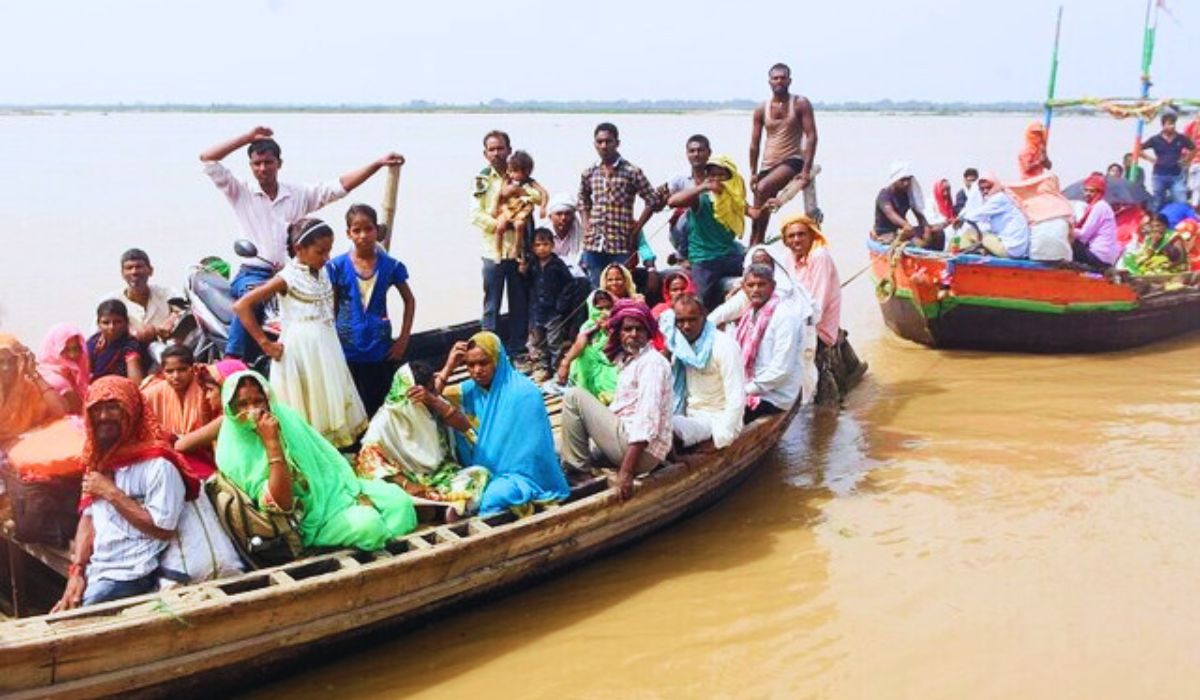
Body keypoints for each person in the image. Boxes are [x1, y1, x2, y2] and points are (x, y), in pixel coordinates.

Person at [200, 125, 403, 360]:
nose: (263, 168)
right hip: (255, 270)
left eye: (268, 162)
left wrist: (377, 164)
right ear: (251, 166)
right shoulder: (240, 191)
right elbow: (208, 158)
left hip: (294, 271)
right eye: (257, 163)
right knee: (250, 298)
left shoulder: (297, 194)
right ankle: (233, 358)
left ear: (279, 163)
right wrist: (247, 137)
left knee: (329, 295)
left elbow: (338, 187)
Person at [215, 370, 418, 550]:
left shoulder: (283, 415)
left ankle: (388, 548)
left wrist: (353, 491)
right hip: (305, 519)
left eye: (259, 401)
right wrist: (271, 443)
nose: (254, 410)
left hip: (333, 489)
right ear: (230, 408)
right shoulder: (232, 450)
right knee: (369, 525)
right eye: (242, 404)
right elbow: (281, 504)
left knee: (399, 503)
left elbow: (324, 454)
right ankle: (373, 544)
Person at [53, 376, 201, 611]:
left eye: (113, 408)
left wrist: (111, 492)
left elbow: (162, 529)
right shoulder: (100, 459)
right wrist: (77, 571)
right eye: (97, 409)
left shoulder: (159, 463)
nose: (103, 417)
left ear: (131, 409)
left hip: (135, 574)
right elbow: (89, 517)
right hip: (100, 570)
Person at [232, 218, 367, 448]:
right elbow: (241, 306)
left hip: (326, 349)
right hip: (300, 353)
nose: (325, 257)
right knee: (308, 409)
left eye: (328, 251)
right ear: (299, 249)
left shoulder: (322, 272)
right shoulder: (287, 278)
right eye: (320, 252)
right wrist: (265, 344)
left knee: (329, 404)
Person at [433, 332, 570, 516]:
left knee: (493, 499)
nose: (477, 370)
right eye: (470, 365)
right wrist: (449, 366)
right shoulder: (468, 391)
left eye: (483, 363)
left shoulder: (525, 394)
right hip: (478, 473)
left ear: (497, 360)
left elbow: (532, 456)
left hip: (520, 476)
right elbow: (431, 398)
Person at [561, 300, 673, 500]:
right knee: (558, 450)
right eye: (627, 329)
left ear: (648, 332)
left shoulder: (651, 364)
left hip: (640, 452)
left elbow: (646, 420)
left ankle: (578, 473)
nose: (633, 334)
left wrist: (627, 473)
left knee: (573, 396)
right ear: (619, 333)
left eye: (639, 329)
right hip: (631, 443)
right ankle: (577, 468)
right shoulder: (630, 360)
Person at [357, 362, 490, 518]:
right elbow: (369, 460)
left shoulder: (433, 404)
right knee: (393, 498)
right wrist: (407, 484)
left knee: (481, 474)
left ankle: (439, 509)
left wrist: (433, 400)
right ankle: (441, 509)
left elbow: (464, 426)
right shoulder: (385, 419)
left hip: (441, 475)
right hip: (407, 480)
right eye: (430, 389)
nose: (434, 393)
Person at [327, 204, 416, 417]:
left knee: (381, 406)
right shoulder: (336, 267)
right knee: (352, 407)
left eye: (368, 229)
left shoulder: (391, 266)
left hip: (380, 348)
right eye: (356, 230)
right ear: (348, 233)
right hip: (347, 348)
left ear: (377, 230)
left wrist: (403, 339)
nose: (363, 235)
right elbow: (330, 306)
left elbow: (409, 300)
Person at [780, 215, 864, 405]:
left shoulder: (819, 257)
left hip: (817, 325)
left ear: (811, 235)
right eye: (791, 236)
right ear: (785, 240)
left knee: (821, 388)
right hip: (799, 320)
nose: (796, 240)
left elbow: (817, 303)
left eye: (801, 235)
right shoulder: (787, 258)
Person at [578, 122, 666, 287]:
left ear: (617, 143)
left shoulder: (631, 171)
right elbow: (583, 199)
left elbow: (652, 200)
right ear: (595, 144)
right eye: (600, 142)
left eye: (608, 141)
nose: (604, 146)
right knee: (597, 291)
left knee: (620, 289)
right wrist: (586, 225)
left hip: (620, 242)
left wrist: (637, 229)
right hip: (594, 242)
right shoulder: (589, 172)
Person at [470, 130, 530, 358]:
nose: (496, 153)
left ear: (509, 149)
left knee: (519, 302)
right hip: (492, 251)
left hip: (517, 250)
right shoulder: (482, 179)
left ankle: (517, 348)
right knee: (491, 304)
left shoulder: (519, 176)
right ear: (485, 154)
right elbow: (475, 214)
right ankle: (489, 350)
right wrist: (500, 224)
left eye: (500, 148)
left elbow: (530, 199)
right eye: (491, 149)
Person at [659, 294, 744, 449]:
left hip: (717, 419)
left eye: (692, 319)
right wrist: (668, 347)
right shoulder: (679, 345)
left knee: (665, 428)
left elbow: (736, 396)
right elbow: (659, 375)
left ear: (703, 316)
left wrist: (722, 438)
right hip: (689, 415)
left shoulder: (723, 345)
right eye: (680, 321)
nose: (686, 326)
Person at [667, 155, 748, 312]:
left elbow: (754, 212)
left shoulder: (734, 199)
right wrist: (701, 188)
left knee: (759, 269)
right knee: (700, 302)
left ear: (730, 177)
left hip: (729, 255)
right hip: (705, 259)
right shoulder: (701, 199)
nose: (716, 179)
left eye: (721, 175)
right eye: (712, 175)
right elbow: (672, 202)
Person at [748, 63, 818, 246]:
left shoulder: (800, 103)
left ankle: (756, 246)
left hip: (791, 160)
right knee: (758, 219)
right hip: (767, 165)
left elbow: (811, 136)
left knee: (763, 189)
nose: (779, 81)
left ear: (789, 80)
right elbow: (754, 144)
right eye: (775, 78)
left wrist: (806, 170)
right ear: (769, 81)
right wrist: (753, 172)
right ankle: (754, 250)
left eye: (783, 77)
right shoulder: (762, 108)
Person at [140, 344, 222, 480]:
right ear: (162, 372)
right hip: (167, 455)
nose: (176, 376)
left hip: (204, 454)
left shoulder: (206, 390)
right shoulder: (152, 393)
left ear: (192, 368)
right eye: (169, 371)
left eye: (182, 369)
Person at [734, 265, 804, 420]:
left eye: (761, 284)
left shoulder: (785, 316)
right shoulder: (750, 313)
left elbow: (781, 370)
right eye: (751, 285)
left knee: (722, 412)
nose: (756, 290)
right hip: (751, 386)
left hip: (775, 396)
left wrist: (744, 390)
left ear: (773, 286)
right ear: (744, 288)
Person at [100, 249, 183, 349]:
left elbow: (187, 308)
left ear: (150, 271)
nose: (134, 272)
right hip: (126, 355)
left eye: (139, 267)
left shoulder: (166, 294)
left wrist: (172, 319)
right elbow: (98, 333)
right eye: (129, 268)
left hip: (166, 356)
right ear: (122, 274)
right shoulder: (111, 301)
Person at [525, 228, 577, 383]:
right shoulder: (532, 265)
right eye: (538, 245)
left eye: (545, 244)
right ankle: (542, 368)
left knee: (555, 342)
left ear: (552, 245)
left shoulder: (557, 264)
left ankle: (557, 369)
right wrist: (523, 271)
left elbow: (570, 284)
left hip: (553, 311)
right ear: (533, 247)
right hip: (536, 311)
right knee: (537, 342)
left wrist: (561, 304)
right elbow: (526, 283)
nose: (542, 248)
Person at [0, 334, 67, 446]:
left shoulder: (29, 389)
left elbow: (61, 411)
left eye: (11, 361)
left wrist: (35, 374)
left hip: (21, 453)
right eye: (0, 362)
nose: (6, 368)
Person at [558, 289, 618, 403]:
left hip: (614, 363)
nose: (604, 312)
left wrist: (609, 329)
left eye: (608, 307)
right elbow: (580, 343)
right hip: (593, 366)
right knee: (584, 354)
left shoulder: (620, 323)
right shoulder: (589, 325)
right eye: (599, 308)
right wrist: (565, 363)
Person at [491, 150, 549, 266]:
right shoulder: (508, 180)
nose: (511, 174)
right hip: (508, 209)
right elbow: (500, 193)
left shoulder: (530, 182)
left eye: (515, 171)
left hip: (521, 210)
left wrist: (543, 207)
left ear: (526, 172)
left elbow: (544, 193)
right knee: (500, 226)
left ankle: (516, 249)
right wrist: (495, 207)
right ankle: (497, 251)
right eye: (510, 170)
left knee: (519, 225)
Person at [873, 162, 942, 249]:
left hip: (903, 230)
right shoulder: (884, 195)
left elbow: (918, 213)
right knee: (911, 242)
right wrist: (905, 224)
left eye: (908, 180)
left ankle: (936, 258)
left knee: (937, 233)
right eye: (902, 180)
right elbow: (891, 214)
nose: (906, 183)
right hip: (886, 233)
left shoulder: (907, 195)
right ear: (895, 180)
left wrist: (926, 228)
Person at [666, 134, 713, 261]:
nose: (696, 154)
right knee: (691, 214)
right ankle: (683, 256)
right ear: (687, 154)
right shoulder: (679, 178)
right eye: (692, 151)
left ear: (709, 153)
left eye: (700, 150)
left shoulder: (717, 176)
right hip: (685, 230)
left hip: (710, 229)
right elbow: (669, 200)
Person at [964, 172, 1031, 259]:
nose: (985, 191)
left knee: (970, 232)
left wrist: (960, 219)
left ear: (996, 185)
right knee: (982, 235)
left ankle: (959, 257)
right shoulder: (1002, 198)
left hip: (1010, 249)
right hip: (1014, 248)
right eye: (982, 189)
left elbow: (973, 216)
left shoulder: (999, 198)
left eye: (988, 187)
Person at [1140, 113, 1195, 211]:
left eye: (1173, 124)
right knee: (1158, 201)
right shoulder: (1155, 139)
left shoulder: (1181, 138)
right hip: (1159, 175)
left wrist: (1187, 160)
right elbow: (1138, 149)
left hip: (1177, 175)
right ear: (1163, 125)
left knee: (1181, 199)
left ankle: (1181, 222)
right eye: (1169, 124)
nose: (1172, 126)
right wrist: (1150, 159)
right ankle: (1155, 221)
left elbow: (1193, 149)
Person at [87, 299, 150, 384]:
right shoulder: (92, 343)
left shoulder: (131, 345)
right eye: (106, 323)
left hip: (120, 391)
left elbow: (136, 383)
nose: (111, 327)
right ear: (98, 323)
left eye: (117, 322)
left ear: (126, 322)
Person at [36, 323, 89, 415]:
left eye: (76, 349)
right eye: (65, 350)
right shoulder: (53, 379)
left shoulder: (76, 375)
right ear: (53, 350)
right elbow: (78, 409)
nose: (72, 355)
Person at [1073, 173, 1121, 268]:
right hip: (1103, 255)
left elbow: (1084, 235)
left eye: (1091, 191)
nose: (1087, 194)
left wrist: (1068, 230)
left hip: (1100, 256)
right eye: (1085, 190)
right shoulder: (1095, 206)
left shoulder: (1100, 206)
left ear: (1099, 192)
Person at [545, 193, 585, 276]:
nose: (563, 218)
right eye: (559, 214)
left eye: (567, 214)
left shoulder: (582, 235)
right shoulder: (542, 235)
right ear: (550, 217)